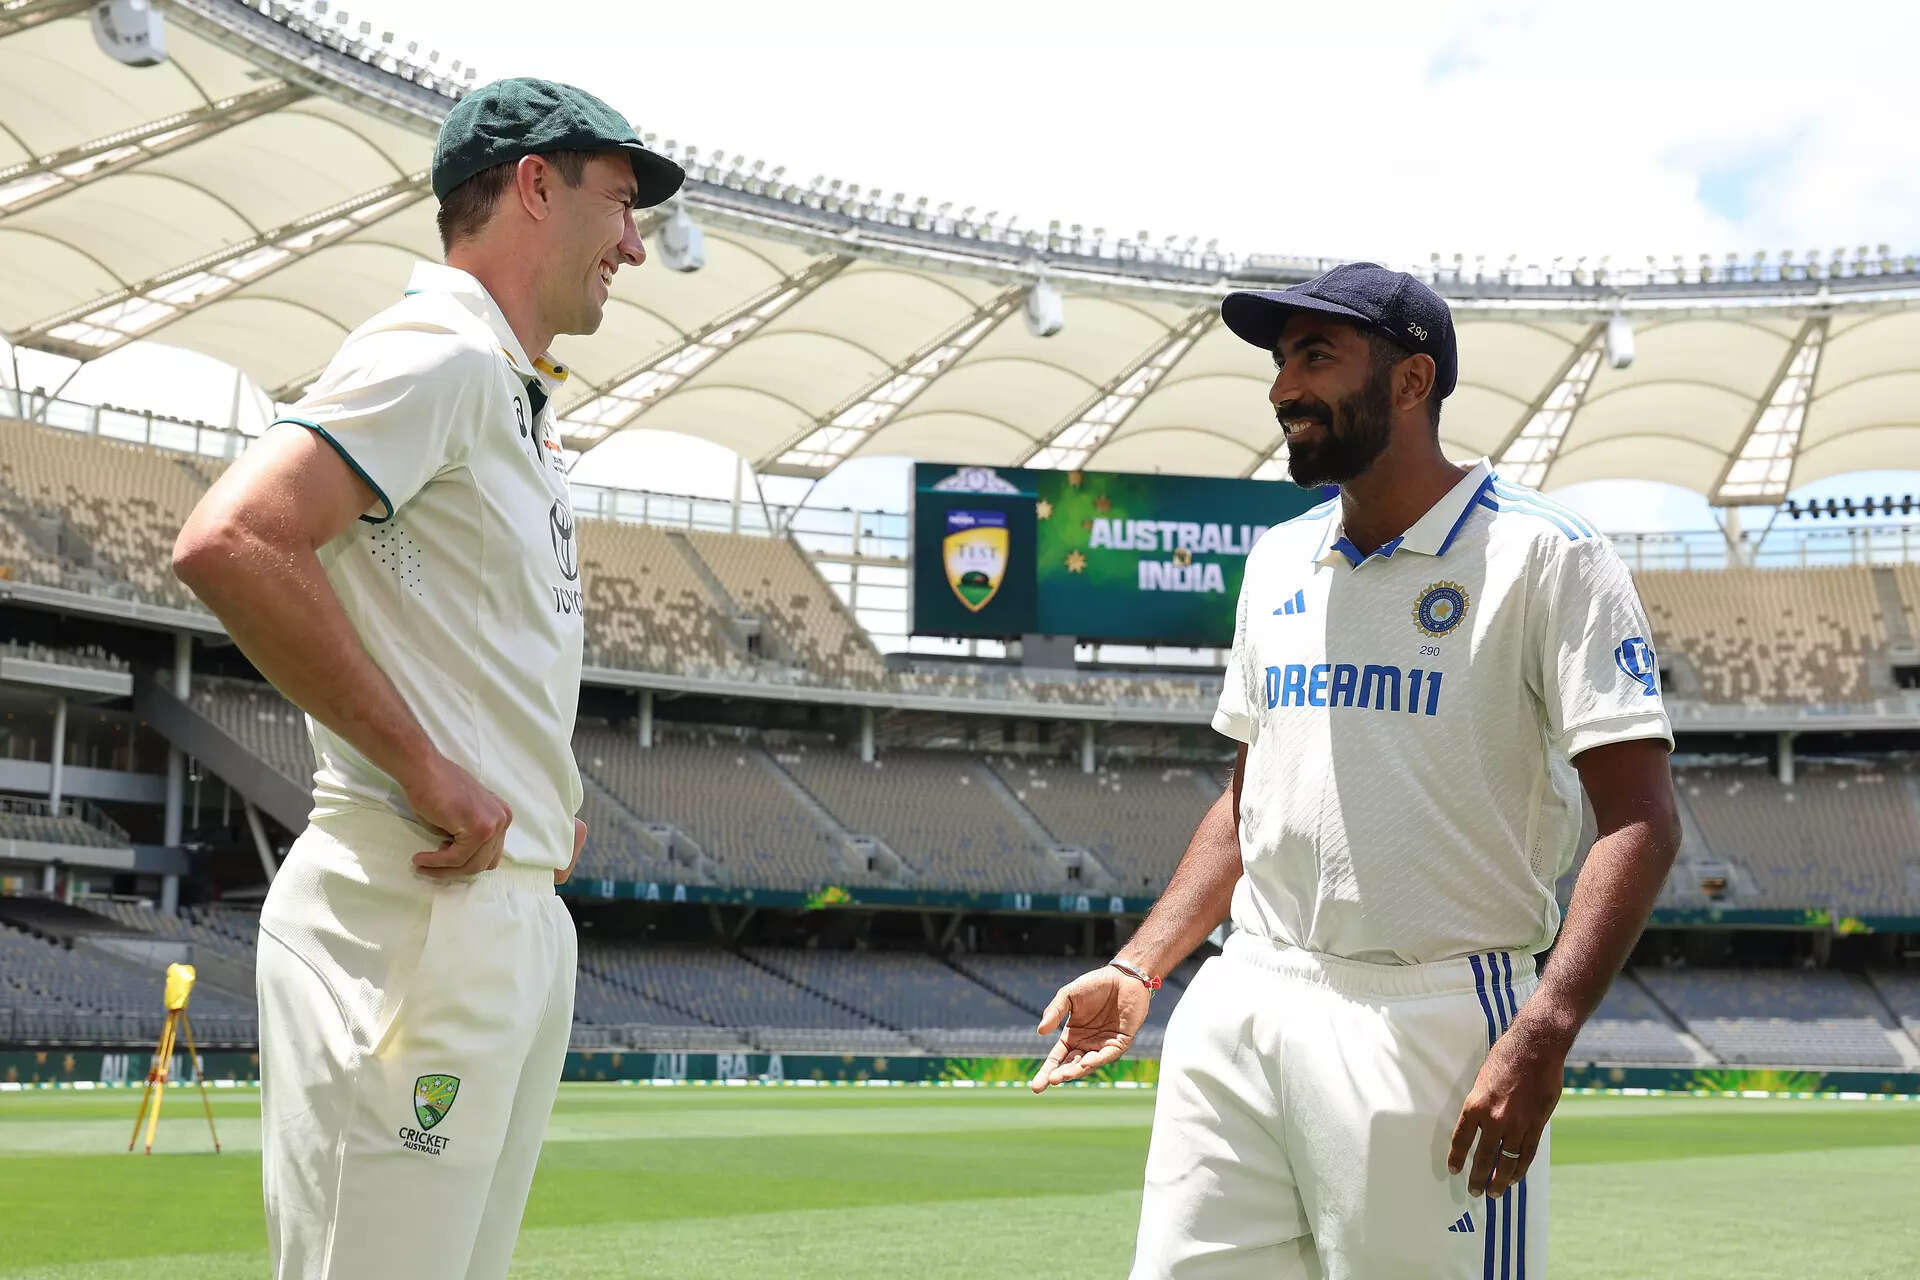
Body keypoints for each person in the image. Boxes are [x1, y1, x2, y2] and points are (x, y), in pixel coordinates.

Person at [1030, 263, 1681, 1279]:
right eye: (1282, 361)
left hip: (1428, 1015)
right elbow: (1249, 801)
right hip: (1242, 997)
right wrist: (1138, 964)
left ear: (1412, 380)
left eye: (1316, 357)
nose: (1284, 387)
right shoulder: (1277, 559)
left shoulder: (1550, 555)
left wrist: (1546, 1027)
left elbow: (1641, 819)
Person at [172, 78, 683, 1279]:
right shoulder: (440, 350)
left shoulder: (506, 387)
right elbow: (234, 537)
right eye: (620, 203)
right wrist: (426, 768)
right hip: (411, 911)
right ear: (536, 184)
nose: (635, 244)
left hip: (498, 911)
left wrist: (532, 792)